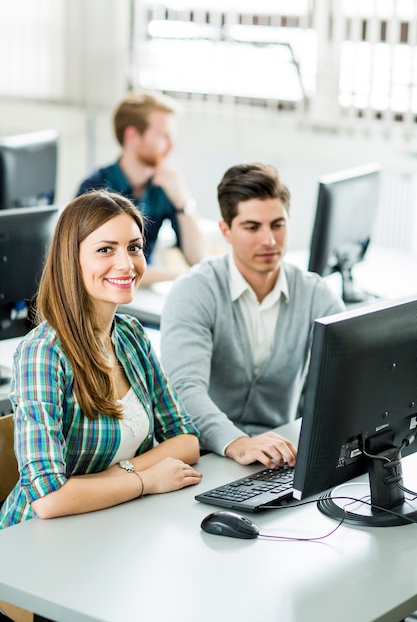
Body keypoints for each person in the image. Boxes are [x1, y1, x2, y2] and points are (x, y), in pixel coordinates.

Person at [0, 190, 202, 530]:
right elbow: (49, 499)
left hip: (110, 523)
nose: (126, 263)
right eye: (105, 249)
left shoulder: (130, 335)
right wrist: (146, 480)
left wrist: (118, 475)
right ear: (71, 259)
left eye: (134, 247)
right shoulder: (44, 353)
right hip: (34, 541)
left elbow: (186, 441)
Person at [160, 163, 345, 468]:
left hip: (278, 454)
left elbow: (346, 377)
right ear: (226, 231)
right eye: (252, 227)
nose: (268, 240)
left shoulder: (315, 294)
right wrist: (238, 443)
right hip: (205, 454)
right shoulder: (194, 291)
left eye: (277, 224)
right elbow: (183, 390)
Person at [76, 90, 206, 285]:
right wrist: (181, 276)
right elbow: (109, 267)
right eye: (163, 136)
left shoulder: (164, 186)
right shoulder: (95, 188)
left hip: (143, 291)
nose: (171, 146)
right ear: (132, 136)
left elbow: (197, 258)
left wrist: (183, 201)